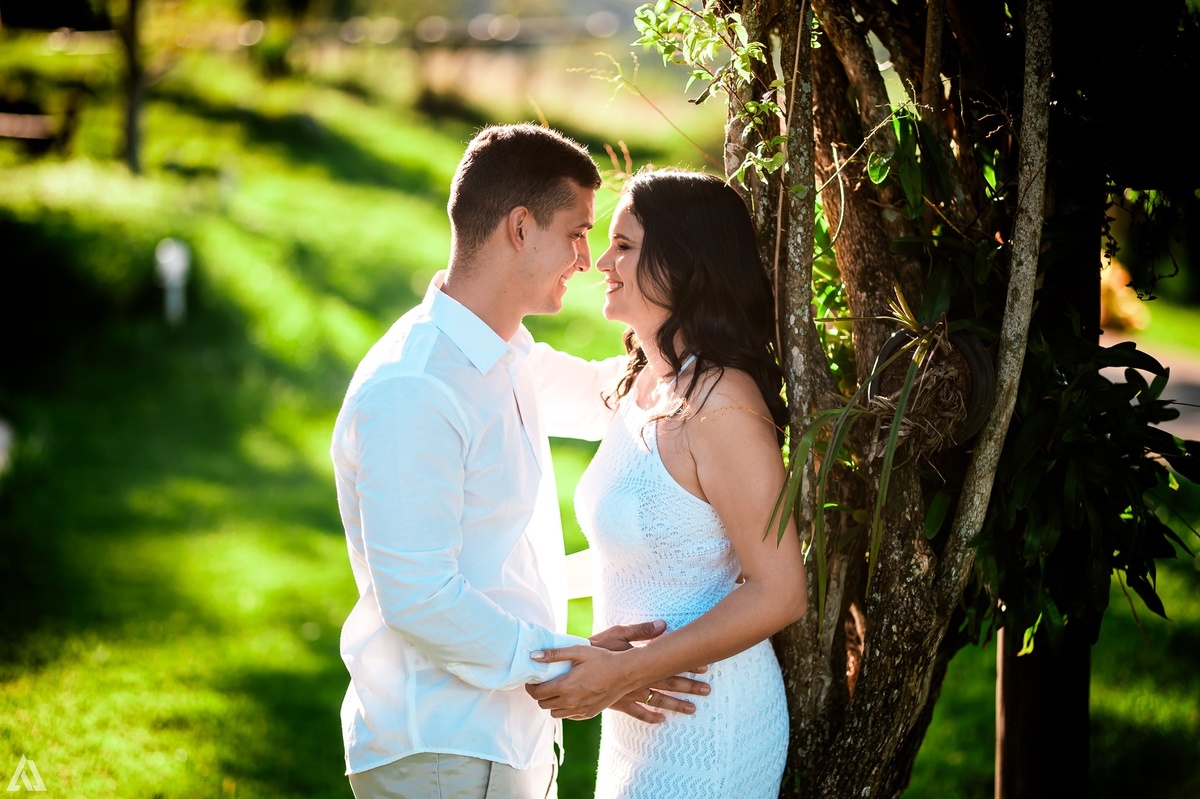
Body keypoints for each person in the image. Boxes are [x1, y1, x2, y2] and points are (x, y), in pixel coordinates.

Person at [330, 125, 708, 799]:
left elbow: (611, 398)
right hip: (442, 750)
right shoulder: (415, 386)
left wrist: (686, 322)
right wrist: (566, 665)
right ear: (521, 226)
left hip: (501, 742)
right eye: (577, 232)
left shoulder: (507, 356)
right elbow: (419, 596)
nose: (589, 258)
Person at [525, 169, 809, 798]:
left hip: (709, 717)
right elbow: (634, 556)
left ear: (682, 265)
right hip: (643, 716)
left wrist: (624, 673)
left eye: (623, 246)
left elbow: (781, 590)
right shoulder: (646, 384)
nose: (601, 261)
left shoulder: (721, 402)